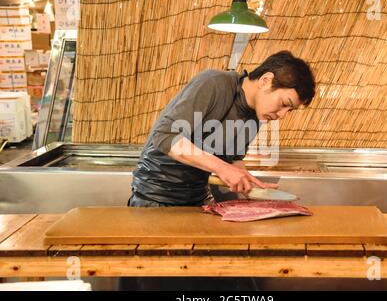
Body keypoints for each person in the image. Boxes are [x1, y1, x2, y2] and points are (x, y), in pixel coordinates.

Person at [129, 50, 316, 207]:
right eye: (284, 103)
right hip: (154, 197)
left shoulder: (258, 114)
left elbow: (233, 159)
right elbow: (165, 136)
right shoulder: (213, 83)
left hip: (199, 198)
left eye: (289, 110)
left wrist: (249, 184)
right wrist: (223, 169)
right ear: (266, 80)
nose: (282, 115)